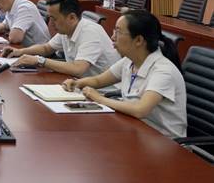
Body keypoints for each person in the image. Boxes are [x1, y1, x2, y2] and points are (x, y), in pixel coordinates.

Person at [63, 10, 186, 138]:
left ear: (138, 40)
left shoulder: (163, 71)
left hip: (163, 141)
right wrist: (77, 83)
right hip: (134, 129)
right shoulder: (129, 61)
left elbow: (140, 110)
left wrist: (99, 99)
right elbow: (99, 81)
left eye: (118, 32)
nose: (113, 37)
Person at [3, 0, 120, 76]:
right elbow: (46, 48)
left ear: (72, 17)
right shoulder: (67, 29)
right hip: (82, 85)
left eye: (54, 19)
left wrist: (40, 61)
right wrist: (19, 52)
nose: (51, 23)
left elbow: (78, 68)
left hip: (105, 92)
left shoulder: (90, 32)